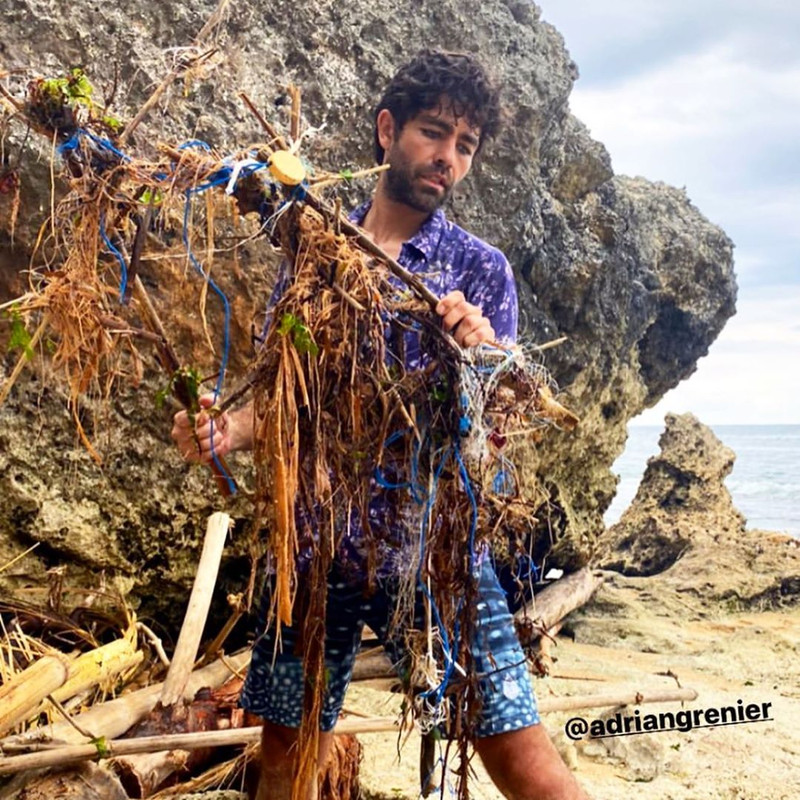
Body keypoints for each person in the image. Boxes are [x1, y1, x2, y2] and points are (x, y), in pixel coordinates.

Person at [172, 50, 589, 800]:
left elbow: (498, 426)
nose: (448, 159)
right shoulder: (315, 255)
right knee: (286, 756)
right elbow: (291, 402)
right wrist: (227, 431)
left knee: (526, 766)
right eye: (434, 133)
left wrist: (480, 355)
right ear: (388, 129)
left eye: (465, 146)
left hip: (437, 554)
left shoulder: (478, 269)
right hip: (315, 547)